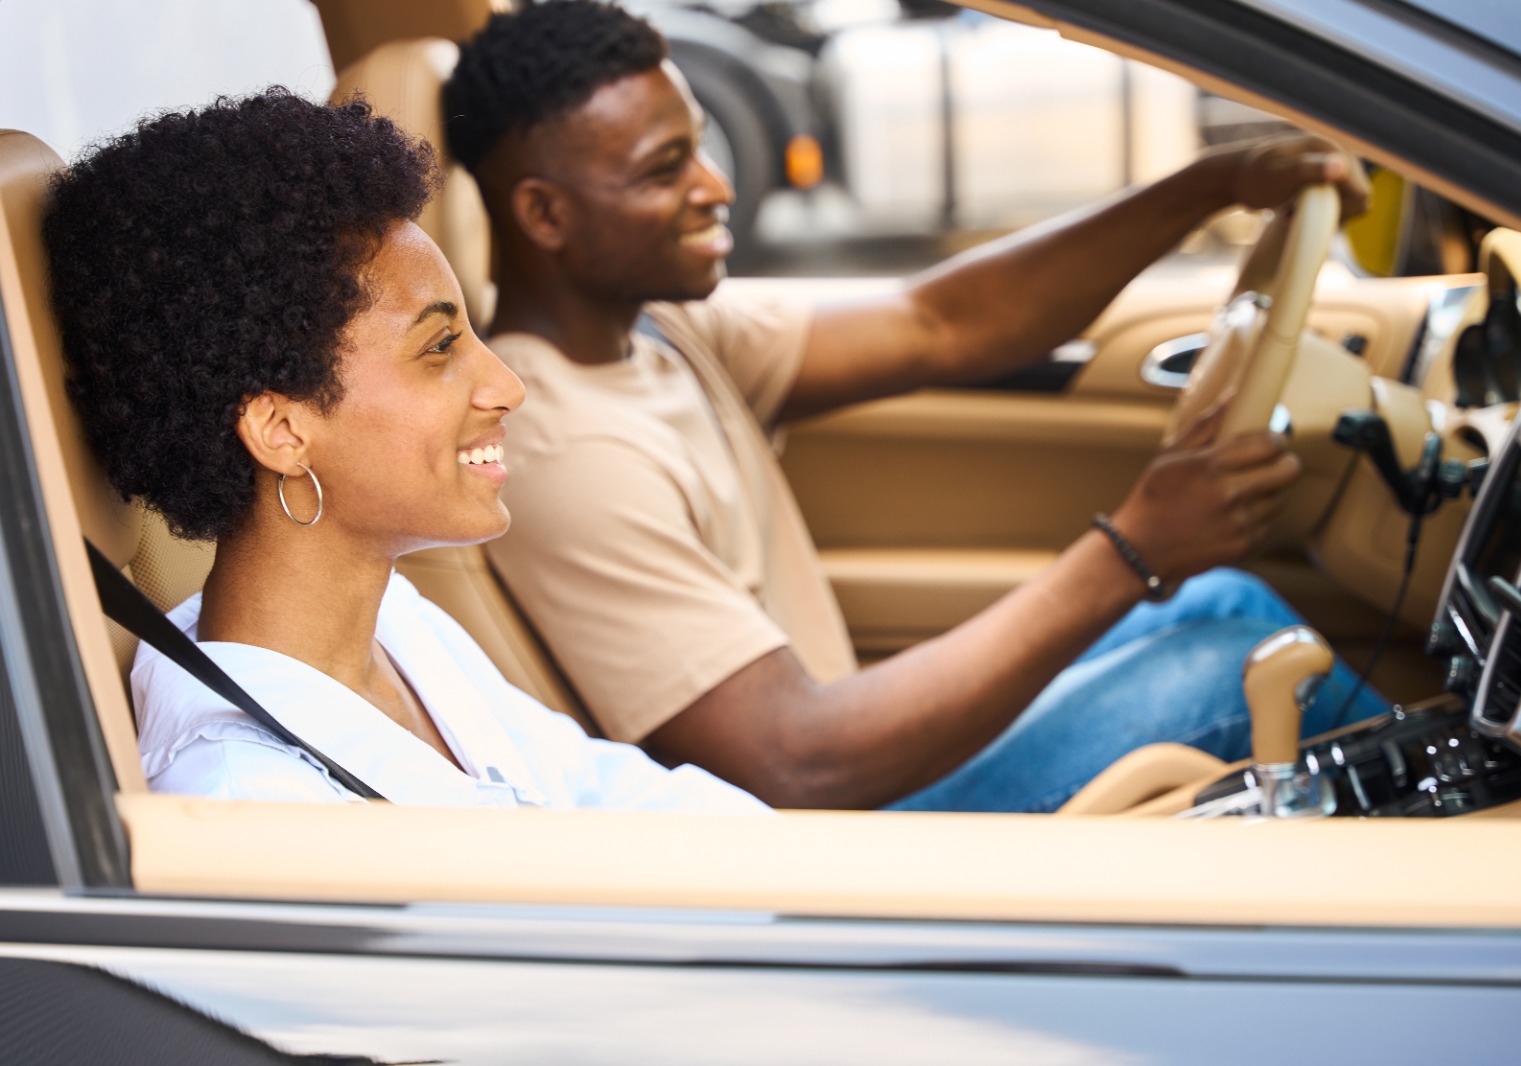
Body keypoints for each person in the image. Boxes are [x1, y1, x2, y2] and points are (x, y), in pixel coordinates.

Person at [443, 0, 1391, 813]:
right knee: (1247, 660)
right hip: (843, 828)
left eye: (699, 149)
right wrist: (1133, 550)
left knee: (1227, 601)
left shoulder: (658, 331)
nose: (716, 187)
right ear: (544, 216)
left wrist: (1211, 186)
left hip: (853, 752)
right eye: (664, 171)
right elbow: (793, 764)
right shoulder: (564, 448)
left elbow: (944, 321)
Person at [43, 90, 764, 813]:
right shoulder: (256, 800)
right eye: (441, 347)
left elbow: (603, 789)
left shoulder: (396, 626)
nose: (508, 386)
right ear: (283, 431)